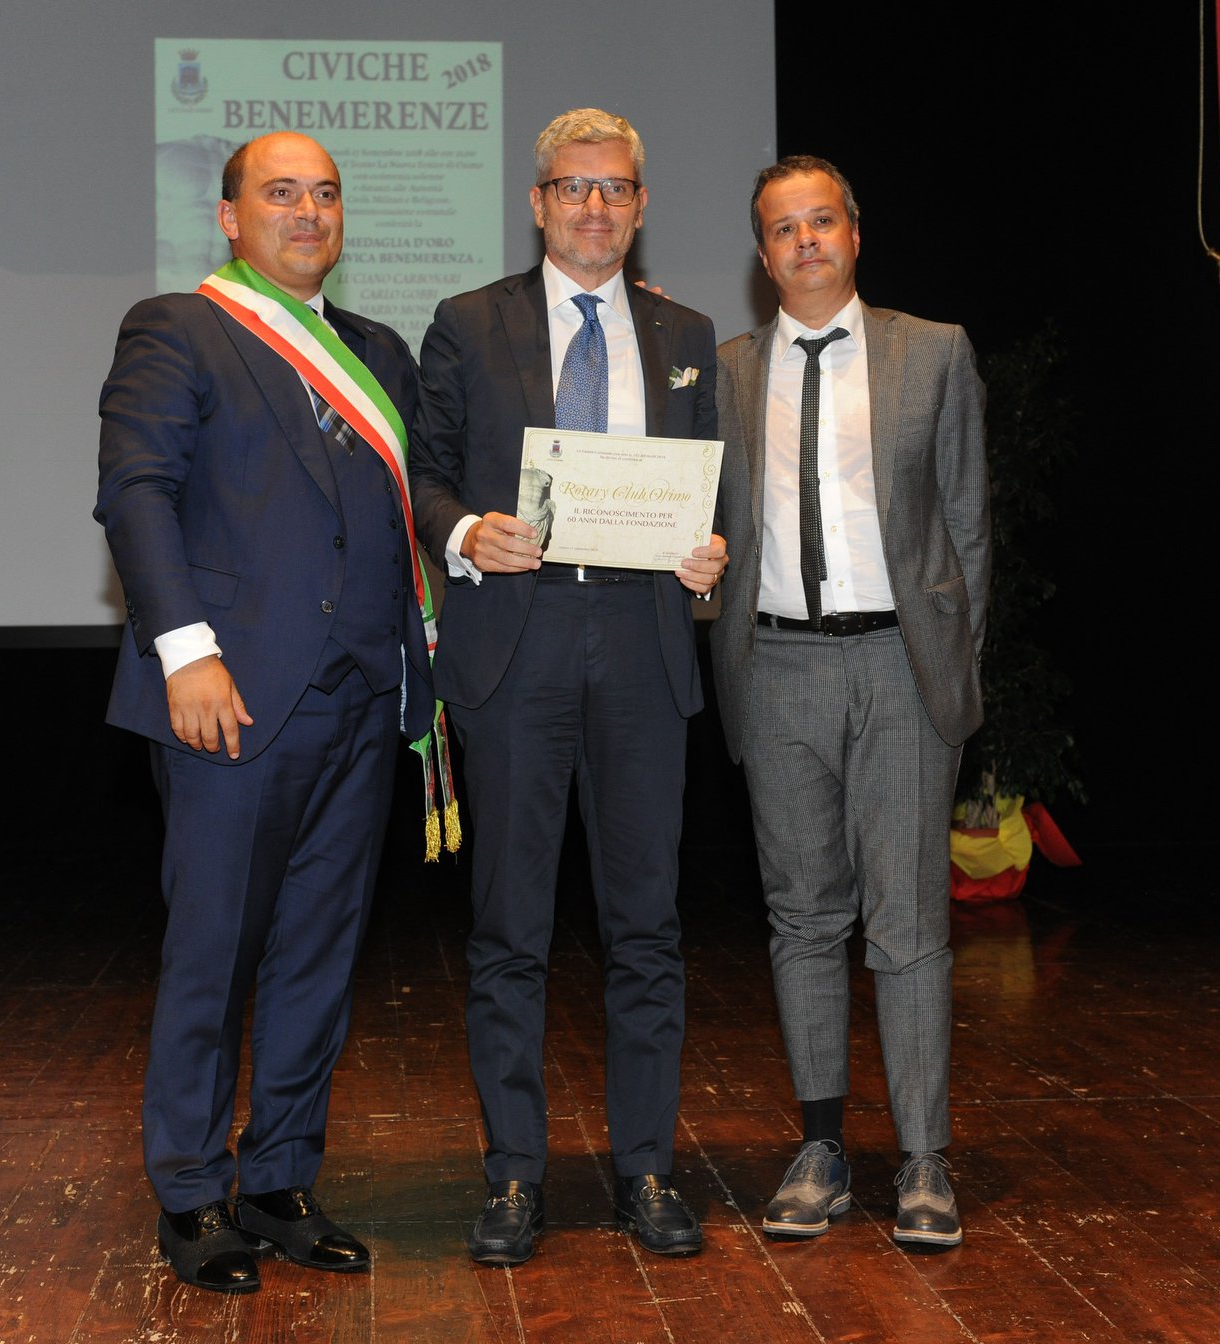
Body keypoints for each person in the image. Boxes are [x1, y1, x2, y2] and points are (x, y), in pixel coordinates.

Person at [96, 131, 435, 1294]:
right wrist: (185, 651)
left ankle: (280, 1180)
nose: (307, 211)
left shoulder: (377, 352)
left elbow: (412, 510)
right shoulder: (177, 327)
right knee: (214, 953)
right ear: (231, 218)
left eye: (324, 193)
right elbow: (135, 492)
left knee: (318, 956)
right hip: (230, 702)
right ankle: (192, 1193)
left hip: (363, 699)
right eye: (280, 192)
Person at [410, 108, 727, 1265]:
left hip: (643, 644)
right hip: (517, 644)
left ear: (641, 207)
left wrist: (713, 552)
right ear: (538, 202)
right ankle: (512, 1176)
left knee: (647, 929)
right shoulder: (467, 322)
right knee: (510, 930)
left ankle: (645, 1170)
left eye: (616, 188)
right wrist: (465, 534)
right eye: (573, 187)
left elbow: (714, 495)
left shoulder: (686, 333)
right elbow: (425, 474)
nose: (595, 206)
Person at [709, 155, 989, 1250]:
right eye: (783, 228)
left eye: (821, 220)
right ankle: (821, 1149)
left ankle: (923, 1160)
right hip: (776, 667)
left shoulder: (934, 352)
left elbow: (968, 527)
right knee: (802, 918)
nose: (805, 241)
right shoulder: (727, 372)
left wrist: (953, 667)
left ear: (854, 234)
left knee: (909, 924)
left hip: (900, 668)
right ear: (762, 253)